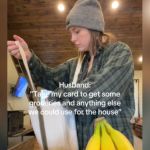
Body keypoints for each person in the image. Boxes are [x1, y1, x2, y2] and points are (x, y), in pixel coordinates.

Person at [7, 0, 135, 149]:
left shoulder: (120, 52)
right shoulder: (74, 65)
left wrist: (58, 95)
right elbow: (48, 77)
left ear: (93, 28)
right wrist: (29, 57)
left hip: (113, 143)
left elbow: (97, 92)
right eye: (70, 33)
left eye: (77, 31)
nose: (72, 39)